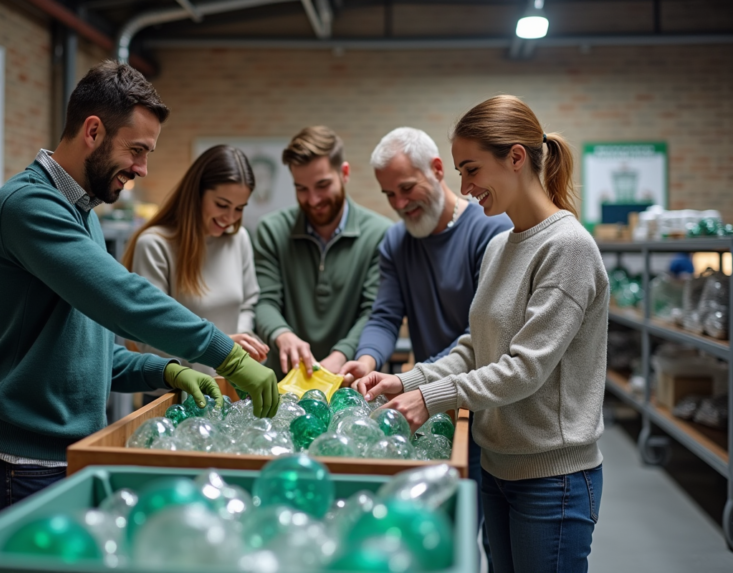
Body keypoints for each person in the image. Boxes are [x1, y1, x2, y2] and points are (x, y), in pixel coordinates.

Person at [0, 61, 278, 529]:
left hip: (68, 458)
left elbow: (88, 352)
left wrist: (165, 369)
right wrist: (222, 353)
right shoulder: (27, 206)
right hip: (15, 466)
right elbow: (122, 298)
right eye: (137, 150)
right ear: (92, 131)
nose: (143, 169)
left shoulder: (83, 211)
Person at [353, 95, 608, 573]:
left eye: (471, 169)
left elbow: (525, 369)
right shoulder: (498, 246)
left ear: (515, 157)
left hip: (551, 477)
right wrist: (408, 383)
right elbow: (475, 348)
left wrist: (433, 399)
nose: (466, 188)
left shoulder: (567, 247)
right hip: (497, 465)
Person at [338, 127, 511, 571]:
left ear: (437, 170)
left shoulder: (489, 230)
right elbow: (383, 316)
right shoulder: (397, 242)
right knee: (447, 529)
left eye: (406, 188)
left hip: (485, 399)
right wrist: (368, 359)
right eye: (387, 194)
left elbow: (481, 338)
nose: (398, 204)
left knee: (496, 534)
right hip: (432, 400)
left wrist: (413, 380)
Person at [254, 126, 392, 377]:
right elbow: (265, 301)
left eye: (323, 185)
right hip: (282, 385)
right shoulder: (271, 230)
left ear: (345, 173)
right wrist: (282, 334)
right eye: (301, 189)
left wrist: (341, 355)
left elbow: (374, 312)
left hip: (349, 382)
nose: (314, 199)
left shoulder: (381, 234)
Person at [122, 145, 268, 374]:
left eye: (239, 208)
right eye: (222, 205)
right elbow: (147, 336)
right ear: (196, 194)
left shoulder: (238, 238)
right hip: (176, 393)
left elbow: (248, 304)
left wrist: (241, 344)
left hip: (228, 387)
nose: (230, 218)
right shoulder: (155, 245)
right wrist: (220, 349)